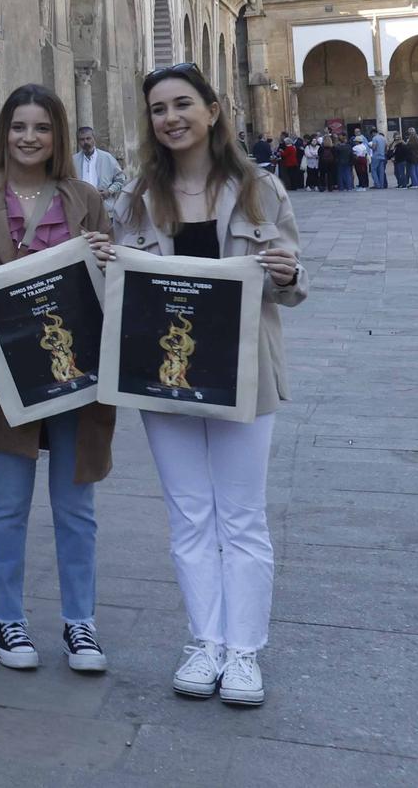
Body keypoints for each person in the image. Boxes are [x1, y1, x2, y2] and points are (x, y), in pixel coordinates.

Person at [102, 62, 304, 707]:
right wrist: (104, 264)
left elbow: (293, 287)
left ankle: (243, 651)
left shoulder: (259, 189)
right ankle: (204, 642)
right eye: (159, 109)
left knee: (241, 516)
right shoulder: (132, 200)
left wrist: (286, 269)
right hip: (164, 377)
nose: (171, 118)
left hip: (246, 375)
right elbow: (117, 296)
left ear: (213, 111)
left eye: (183, 104)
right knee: (190, 514)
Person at [0, 84, 114, 675]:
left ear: (58, 135)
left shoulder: (86, 198)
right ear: (2, 132)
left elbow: (110, 282)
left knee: (76, 504)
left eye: (41, 127)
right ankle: (7, 616)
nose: (28, 137)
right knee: (8, 503)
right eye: (18, 126)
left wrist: (104, 255)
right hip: (6, 373)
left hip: (76, 371)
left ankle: (80, 621)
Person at [75, 125, 124, 195]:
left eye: (88, 138)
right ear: (78, 142)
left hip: (103, 202)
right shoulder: (73, 161)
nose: (85, 142)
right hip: (81, 203)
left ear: (94, 139)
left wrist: (109, 191)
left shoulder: (107, 157)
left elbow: (121, 178)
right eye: (82, 139)